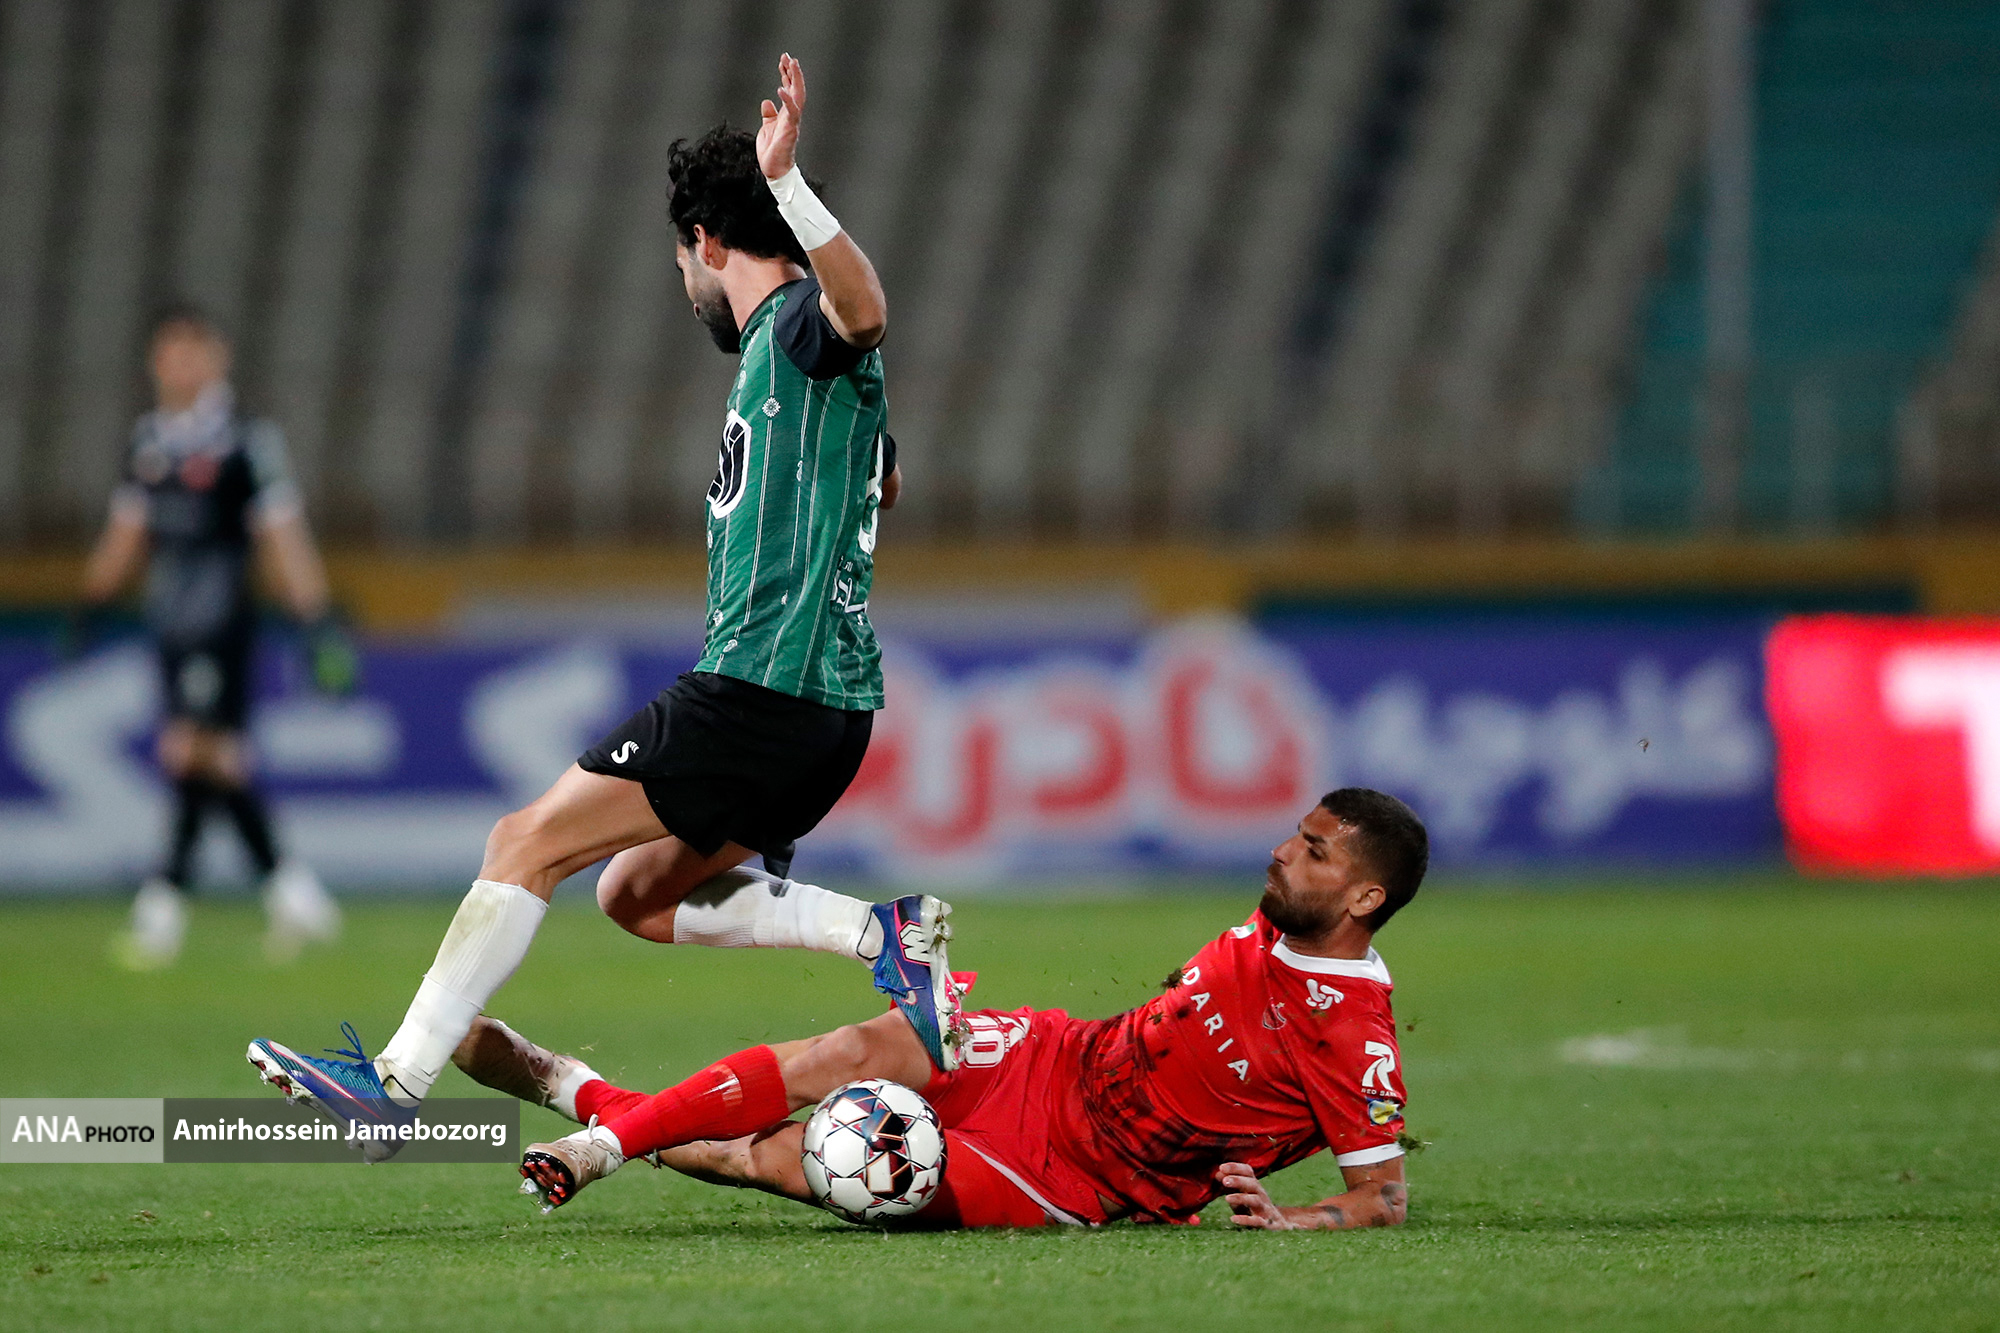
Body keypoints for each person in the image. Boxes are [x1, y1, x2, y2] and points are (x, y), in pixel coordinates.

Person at [246, 55, 959, 1151]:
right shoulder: (798, 377)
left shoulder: (797, 328)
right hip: (825, 713)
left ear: (707, 245)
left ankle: (393, 1082)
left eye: (681, 263)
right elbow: (886, 476)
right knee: (633, 894)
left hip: (760, 688)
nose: (685, 287)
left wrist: (788, 184)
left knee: (522, 840)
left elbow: (864, 312)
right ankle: (883, 933)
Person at [479, 790, 1423, 1231]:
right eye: (1295, 835)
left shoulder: (1354, 1035)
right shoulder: (1275, 923)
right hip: (1053, 1054)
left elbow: (1382, 1195)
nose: (1281, 852)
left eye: (1314, 852)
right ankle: (601, 1148)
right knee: (851, 1047)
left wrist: (1294, 1220)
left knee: (787, 1159)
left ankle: (571, 1087)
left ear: (1366, 898)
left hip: (1076, 1175)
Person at [76, 304, 348, 969]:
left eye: (193, 351)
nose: (180, 365)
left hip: (221, 615)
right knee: (216, 757)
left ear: (217, 359)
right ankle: (293, 892)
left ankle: (163, 904)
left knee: (187, 749)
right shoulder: (148, 440)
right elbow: (126, 532)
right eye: (170, 352)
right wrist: (91, 602)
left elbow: (282, 533)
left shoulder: (245, 439)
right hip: (169, 617)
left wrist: (315, 618)